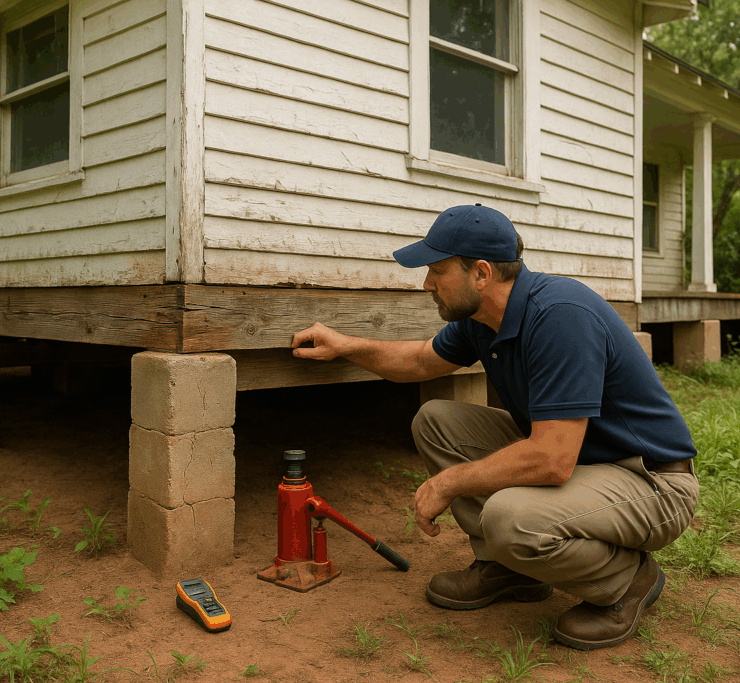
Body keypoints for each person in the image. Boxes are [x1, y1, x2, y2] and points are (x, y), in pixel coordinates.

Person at [290, 204, 698, 650]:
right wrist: (345, 345)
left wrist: (449, 483)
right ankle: (509, 570)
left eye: (437, 269)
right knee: (437, 421)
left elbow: (551, 460)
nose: (427, 283)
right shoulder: (482, 320)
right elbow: (420, 360)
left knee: (509, 519)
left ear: (481, 274)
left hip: (650, 482)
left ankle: (627, 580)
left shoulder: (560, 316)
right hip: (585, 461)